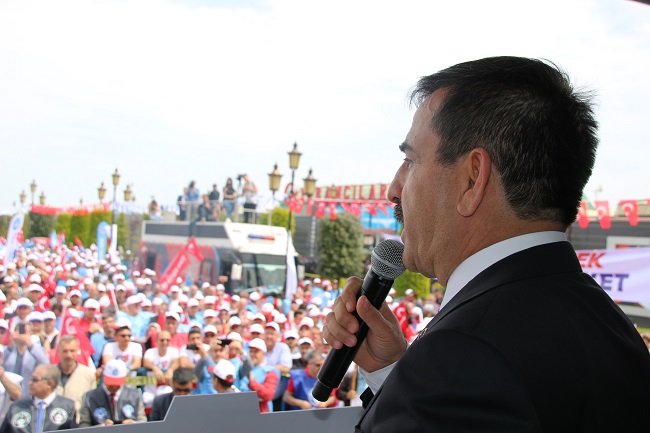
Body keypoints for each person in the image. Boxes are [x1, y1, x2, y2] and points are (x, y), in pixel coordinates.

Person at [323, 56, 650, 433]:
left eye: (410, 160)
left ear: (472, 179)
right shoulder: (611, 325)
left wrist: (425, 374)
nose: (393, 190)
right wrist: (393, 372)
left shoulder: (462, 354)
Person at [0, 364, 77, 433]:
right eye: (31, 379)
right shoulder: (17, 407)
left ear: (49, 383)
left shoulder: (67, 407)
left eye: (35, 380)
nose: (30, 383)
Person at [78, 359, 147, 426]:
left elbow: (143, 421)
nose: (114, 386)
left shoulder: (135, 395)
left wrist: (133, 424)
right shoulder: (89, 397)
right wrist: (101, 427)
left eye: (117, 382)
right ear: (104, 377)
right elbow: (84, 425)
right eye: (111, 382)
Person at [53, 336, 97, 422]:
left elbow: (91, 403)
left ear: (78, 351)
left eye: (72, 351)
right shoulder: (49, 374)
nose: (68, 355)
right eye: (65, 351)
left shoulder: (88, 374)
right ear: (58, 352)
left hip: (78, 423)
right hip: (53, 422)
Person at [238, 338, 278, 413]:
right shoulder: (243, 368)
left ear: (264, 354)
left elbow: (268, 395)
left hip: (261, 412)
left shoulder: (270, 372)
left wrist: (252, 381)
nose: (252, 354)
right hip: (243, 410)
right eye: (251, 351)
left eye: (256, 352)